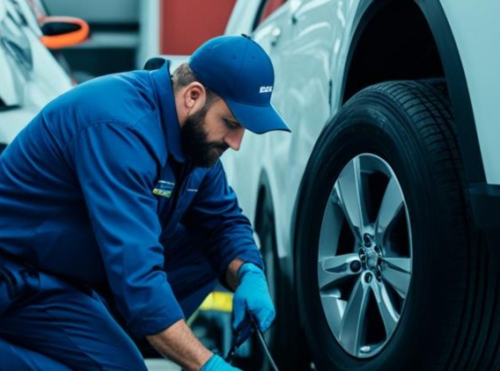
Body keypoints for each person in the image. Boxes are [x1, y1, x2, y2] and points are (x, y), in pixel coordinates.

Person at [0, 35, 290, 370]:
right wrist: (205, 364)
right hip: (18, 275)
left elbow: (223, 221)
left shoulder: (194, 144)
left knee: (208, 248)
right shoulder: (119, 129)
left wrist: (248, 272)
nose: (236, 143)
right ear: (193, 96)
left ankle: (123, 333)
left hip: (67, 275)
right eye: (231, 124)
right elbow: (136, 268)